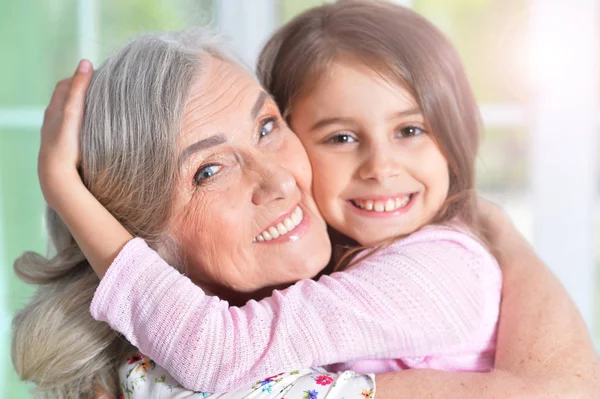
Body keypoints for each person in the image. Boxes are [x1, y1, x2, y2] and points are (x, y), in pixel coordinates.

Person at [14, 20, 599, 399]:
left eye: (267, 127)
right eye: (209, 170)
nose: (277, 182)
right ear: (134, 235)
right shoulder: (180, 370)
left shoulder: (430, 269)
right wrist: (69, 192)